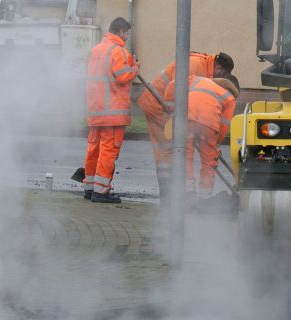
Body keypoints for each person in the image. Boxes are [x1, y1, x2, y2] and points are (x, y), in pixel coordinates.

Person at [139, 52, 234, 198]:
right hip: (159, 106)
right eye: (222, 74)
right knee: (172, 148)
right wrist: (173, 110)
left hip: (178, 111)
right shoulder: (195, 66)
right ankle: (169, 195)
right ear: (219, 68)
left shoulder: (204, 69)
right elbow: (176, 87)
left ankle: (182, 193)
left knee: (181, 149)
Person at [81, 17, 139, 203]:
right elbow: (123, 76)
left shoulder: (95, 50)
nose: (127, 37)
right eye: (127, 34)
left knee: (94, 149)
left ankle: (90, 188)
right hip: (112, 112)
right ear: (121, 32)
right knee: (108, 150)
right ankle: (101, 191)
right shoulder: (118, 51)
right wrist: (135, 67)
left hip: (96, 110)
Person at [163, 74, 239, 199]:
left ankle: (188, 193)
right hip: (210, 125)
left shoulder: (196, 79)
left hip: (186, 118)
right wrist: (216, 145)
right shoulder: (230, 98)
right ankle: (205, 197)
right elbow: (224, 125)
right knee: (209, 163)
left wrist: (170, 107)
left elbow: (173, 83)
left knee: (186, 156)